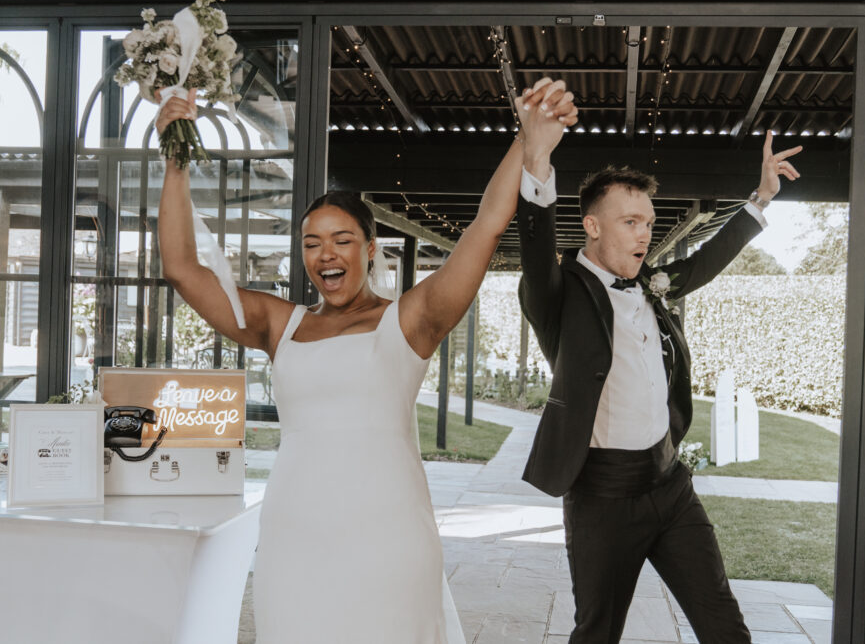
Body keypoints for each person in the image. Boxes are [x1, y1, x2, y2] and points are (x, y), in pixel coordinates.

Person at [156, 80, 577, 643]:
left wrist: (526, 140)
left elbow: (485, 225)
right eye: (311, 243)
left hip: (389, 541)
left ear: (370, 247)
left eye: (342, 240)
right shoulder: (281, 325)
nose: (325, 254)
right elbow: (184, 267)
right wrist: (176, 154)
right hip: (293, 538)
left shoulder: (410, 320)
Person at [516, 130, 801, 643]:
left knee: (725, 626)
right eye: (630, 222)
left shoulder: (651, 282)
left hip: (670, 484)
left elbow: (705, 263)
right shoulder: (556, 294)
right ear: (591, 226)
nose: (644, 234)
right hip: (602, 496)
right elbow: (536, 245)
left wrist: (760, 198)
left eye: (647, 222)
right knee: (598, 632)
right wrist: (536, 160)